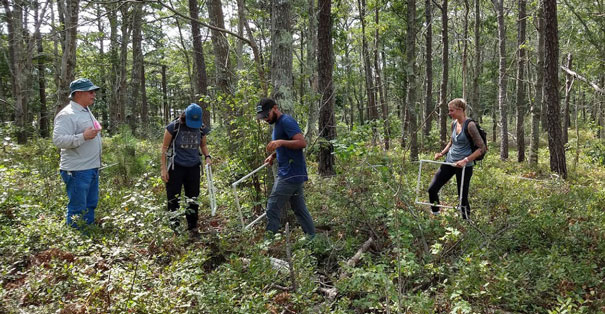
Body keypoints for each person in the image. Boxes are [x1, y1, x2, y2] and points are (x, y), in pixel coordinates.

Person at [256, 98, 316, 237]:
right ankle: (312, 238)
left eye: (267, 115)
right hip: (292, 172)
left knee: (272, 207)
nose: (265, 119)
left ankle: (268, 242)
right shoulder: (277, 124)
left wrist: (280, 142)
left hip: (290, 173)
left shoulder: (286, 121)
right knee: (299, 208)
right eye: (263, 117)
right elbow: (285, 146)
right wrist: (274, 156)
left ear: (275, 108)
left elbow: (301, 143)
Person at [53, 78, 102, 228]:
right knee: (77, 208)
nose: (94, 95)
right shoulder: (67, 114)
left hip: (91, 167)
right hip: (77, 170)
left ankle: (88, 234)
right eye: (90, 92)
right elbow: (58, 140)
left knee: (90, 204)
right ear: (79, 93)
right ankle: (77, 240)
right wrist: (83, 136)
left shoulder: (86, 110)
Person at [428, 98, 486, 220]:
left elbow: (482, 148)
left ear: (460, 110)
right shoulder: (454, 123)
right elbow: (452, 141)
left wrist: (465, 160)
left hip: (464, 166)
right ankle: (436, 216)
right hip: (450, 162)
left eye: (451, 110)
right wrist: (442, 153)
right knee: (432, 189)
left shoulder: (470, 125)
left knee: (462, 198)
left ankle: (466, 223)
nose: (449, 113)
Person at [161, 103, 211, 239]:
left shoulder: (201, 128)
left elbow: (203, 144)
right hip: (175, 167)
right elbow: (164, 148)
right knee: (173, 199)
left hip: (193, 167)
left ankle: (193, 229)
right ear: (184, 116)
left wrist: (207, 156)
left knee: (193, 199)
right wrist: (164, 168)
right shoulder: (174, 127)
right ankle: (175, 230)